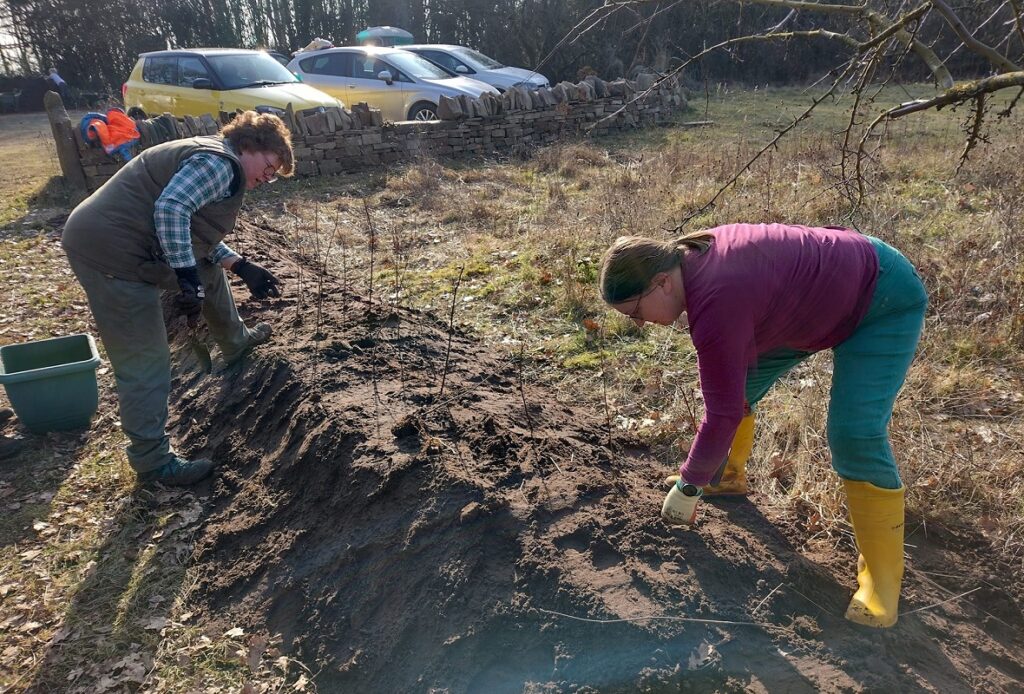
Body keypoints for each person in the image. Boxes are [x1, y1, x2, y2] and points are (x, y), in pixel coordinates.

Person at [599, 223, 927, 629]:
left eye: (635, 312)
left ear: (662, 281)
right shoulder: (691, 262)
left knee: (854, 433)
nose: (639, 324)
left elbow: (723, 415)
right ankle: (726, 476)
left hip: (881, 296)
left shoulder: (717, 297)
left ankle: (882, 581)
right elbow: (727, 398)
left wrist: (688, 487)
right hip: (811, 303)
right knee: (737, 388)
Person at [62, 111, 293, 486]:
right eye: (268, 168)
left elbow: (192, 227)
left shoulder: (213, 156)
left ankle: (235, 343)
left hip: (114, 238)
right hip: (111, 255)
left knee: (208, 269)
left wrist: (239, 264)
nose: (266, 179)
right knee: (145, 358)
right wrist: (186, 278)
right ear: (251, 146)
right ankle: (153, 463)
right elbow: (170, 210)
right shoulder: (221, 165)